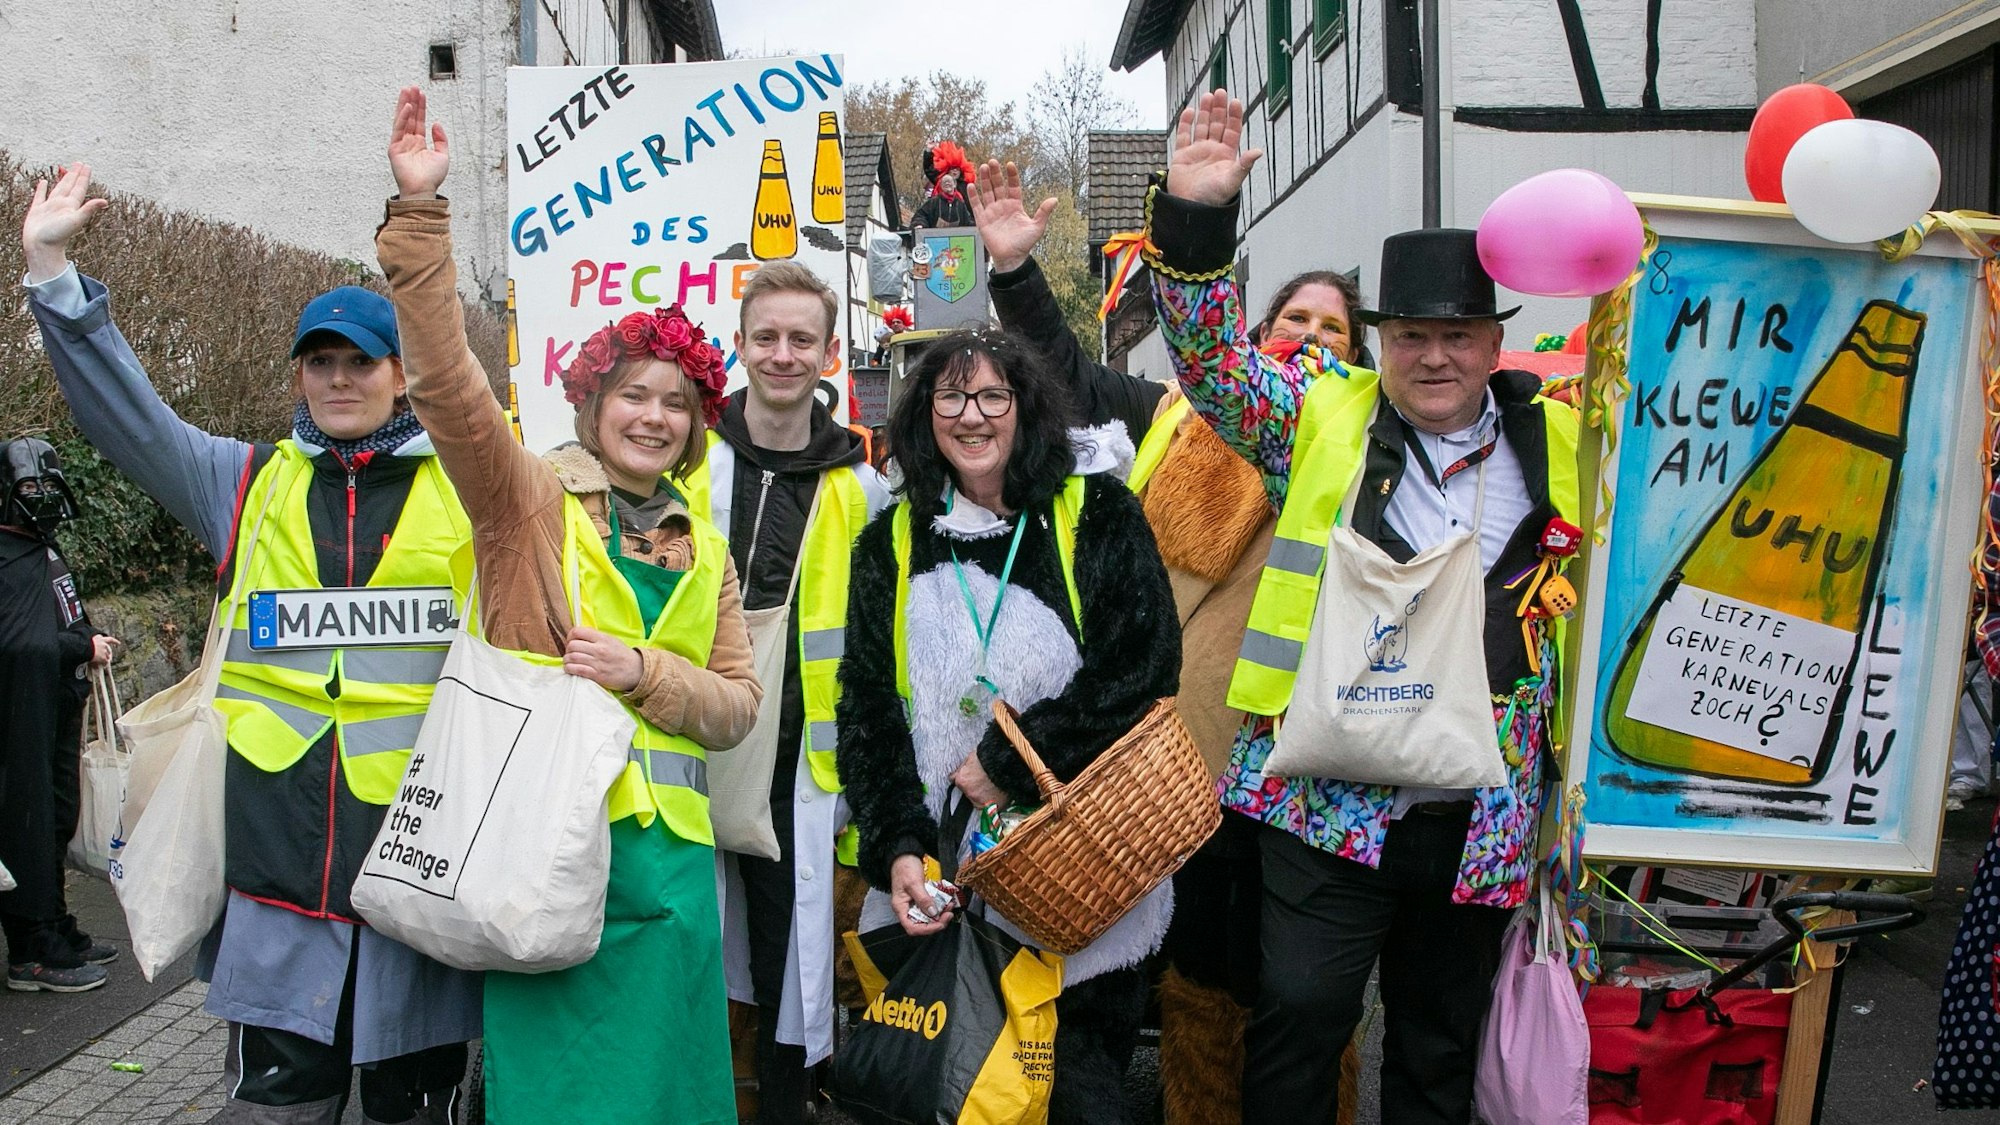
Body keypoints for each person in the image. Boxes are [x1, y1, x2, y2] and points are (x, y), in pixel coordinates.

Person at [1142, 91, 1583, 1124]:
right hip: (1327, 796)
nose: (1434, 357)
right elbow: (1210, 362)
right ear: (1381, 343)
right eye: (1411, 335)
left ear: (1494, 343)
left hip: (1481, 812)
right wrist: (1196, 220)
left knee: (1439, 1042)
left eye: (1458, 335)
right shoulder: (1314, 414)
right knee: (1298, 1017)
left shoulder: (1566, 441)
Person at [24, 164, 479, 1122]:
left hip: (418, 885)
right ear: (298, 376)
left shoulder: (468, 487)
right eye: (320, 362)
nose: (339, 378)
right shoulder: (245, 483)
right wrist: (54, 277)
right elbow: (130, 421)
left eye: (361, 361)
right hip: (279, 884)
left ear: (403, 374)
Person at [378, 86, 760, 1124]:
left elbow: (735, 707)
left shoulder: (706, 547)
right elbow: (447, 387)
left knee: (672, 1103)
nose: (653, 416)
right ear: (591, 407)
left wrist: (646, 673)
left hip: (670, 884)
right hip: (542, 864)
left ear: (695, 428)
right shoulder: (525, 503)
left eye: (675, 403)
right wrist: (420, 214)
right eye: (632, 394)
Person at [970, 156, 1368, 1124]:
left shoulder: (1370, 440)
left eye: (1333, 329)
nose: (1311, 338)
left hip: (1310, 756)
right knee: (1190, 964)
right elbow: (1066, 375)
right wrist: (1015, 271)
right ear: (1255, 337)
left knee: (1297, 982)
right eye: (1294, 320)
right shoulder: (1179, 413)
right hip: (1174, 751)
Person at [836, 328, 1181, 1124]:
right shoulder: (890, 540)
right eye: (951, 396)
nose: (972, 415)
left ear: (1027, 408)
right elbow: (867, 709)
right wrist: (897, 847)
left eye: (994, 395)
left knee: (1078, 1098)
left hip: (1083, 880)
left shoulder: (1095, 511)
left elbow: (1145, 665)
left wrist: (1010, 762)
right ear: (924, 414)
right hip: (944, 885)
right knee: (951, 1098)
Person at [672, 259, 890, 1119]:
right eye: (766, 336)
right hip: (683, 744)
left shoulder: (860, 487)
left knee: (784, 973)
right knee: (682, 953)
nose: (783, 354)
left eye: (802, 338)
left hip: (798, 769)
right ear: (739, 344)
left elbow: (877, 645)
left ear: (830, 353)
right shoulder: (690, 461)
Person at [0, 437, 118, 993]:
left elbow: (62, 615)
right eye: (29, 486)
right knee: (25, 822)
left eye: (49, 484)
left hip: (55, 710)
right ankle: (31, 949)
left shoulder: (40, 550)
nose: (42, 497)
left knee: (55, 818)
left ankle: (54, 924)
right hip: (18, 723)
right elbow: (17, 644)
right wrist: (81, 647)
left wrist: (88, 636)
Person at [909, 142, 975, 231]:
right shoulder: (934, 200)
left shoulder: (964, 189)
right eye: (952, 169)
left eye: (957, 169)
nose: (955, 171)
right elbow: (929, 169)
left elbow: (970, 213)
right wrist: (929, 151)